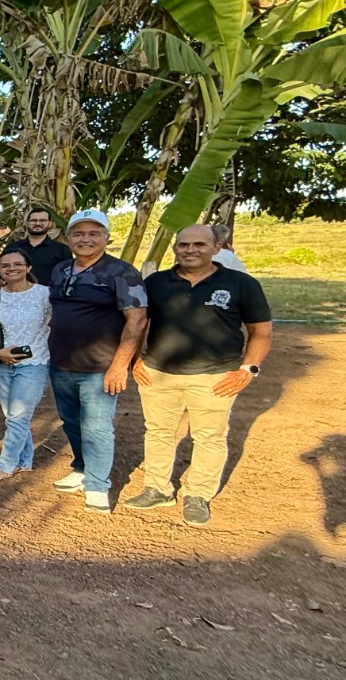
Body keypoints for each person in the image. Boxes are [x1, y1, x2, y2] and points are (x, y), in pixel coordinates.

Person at [125, 224, 272, 525]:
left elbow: (261, 331)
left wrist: (249, 369)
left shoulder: (241, 284)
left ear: (216, 247)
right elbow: (138, 323)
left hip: (215, 377)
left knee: (209, 437)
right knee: (158, 432)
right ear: (175, 248)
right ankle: (157, 489)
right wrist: (135, 360)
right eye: (183, 244)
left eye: (199, 244)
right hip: (158, 374)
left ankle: (198, 494)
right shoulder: (156, 282)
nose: (190, 250)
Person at [47, 209, 147, 513]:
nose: (85, 239)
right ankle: (81, 468)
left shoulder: (121, 272)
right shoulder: (61, 269)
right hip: (61, 363)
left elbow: (137, 320)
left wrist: (120, 365)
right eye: (78, 233)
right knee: (71, 422)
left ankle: (97, 485)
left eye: (94, 233)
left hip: (100, 367)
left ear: (106, 237)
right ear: (68, 238)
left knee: (97, 428)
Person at [0, 250, 51, 483]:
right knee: (13, 416)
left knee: (18, 416)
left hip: (34, 362)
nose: (12, 268)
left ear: (28, 267)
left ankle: (5, 465)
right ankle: (24, 460)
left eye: (18, 264)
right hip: (1, 362)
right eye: (5, 265)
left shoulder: (44, 294)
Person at [2, 208, 72, 286]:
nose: (37, 223)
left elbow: (68, 276)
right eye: (33, 220)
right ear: (27, 223)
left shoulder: (62, 249)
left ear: (50, 223)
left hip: (49, 292)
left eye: (42, 220)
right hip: (16, 291)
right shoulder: (12, 247)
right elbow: (0, 272)